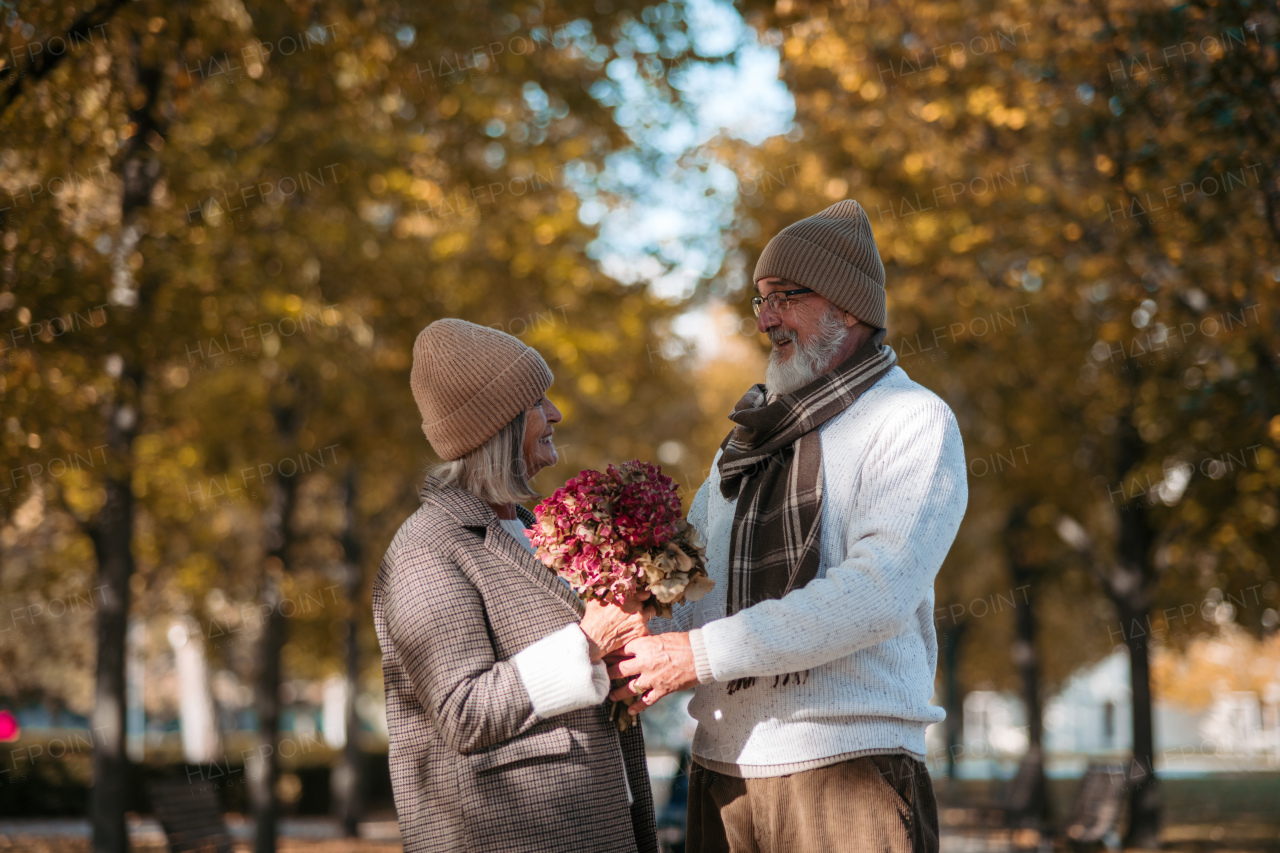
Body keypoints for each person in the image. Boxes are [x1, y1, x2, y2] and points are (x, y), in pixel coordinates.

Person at [610, 200, 968, 853]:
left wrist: (698, 655)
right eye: (758, 300)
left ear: (848, 308)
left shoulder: (912, 420)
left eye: (784, 297)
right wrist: (631, 632)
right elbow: (692, 589)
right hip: (723, 775)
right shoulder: (745, 443)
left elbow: (877, 591)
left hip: (848, 777)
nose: (765, 318)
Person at [372, 319, 659, 853]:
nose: (555, 414)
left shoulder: (532, 530)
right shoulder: (426, 548)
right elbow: (463, 711)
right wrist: (588, 640)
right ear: (498, 425)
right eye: (537, 402)